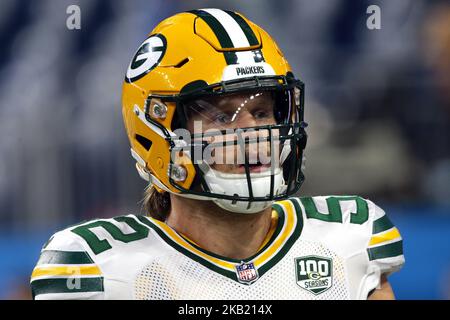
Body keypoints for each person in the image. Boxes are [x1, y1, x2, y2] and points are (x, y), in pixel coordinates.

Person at [30, 8, 404, 300]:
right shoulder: (96, 266)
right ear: (157, 134)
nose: (253, 134)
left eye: (261, 112)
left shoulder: (350, 236)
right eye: (223, 117)